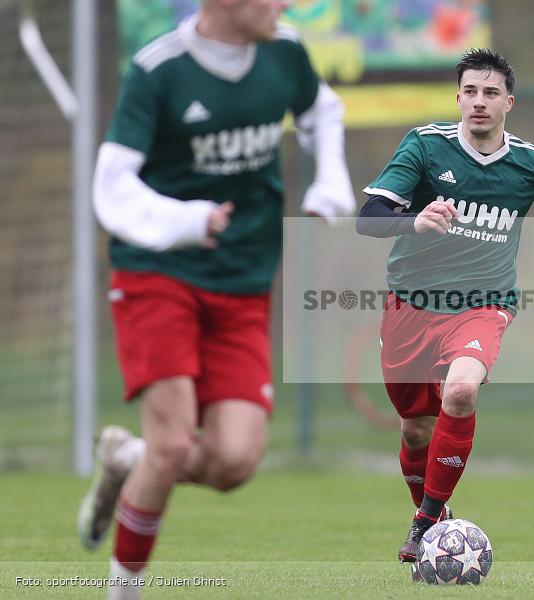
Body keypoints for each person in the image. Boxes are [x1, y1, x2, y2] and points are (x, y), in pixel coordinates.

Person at [77, 1, 355, 597]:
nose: (283, 6)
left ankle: (128, 459)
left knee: (233, 462)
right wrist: (184, 219)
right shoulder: (159, 71)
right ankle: (122, 591)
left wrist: (331, 181)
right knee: (174, 443)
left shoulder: (285, 51)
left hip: (243, 280)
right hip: (160, 273)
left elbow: (322, 111)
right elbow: (112, 185)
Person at [356, 48, 534, 565]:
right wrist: (412, 220)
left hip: (483, 305)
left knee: (460, 390)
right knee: (416, 426)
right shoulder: (424, 146)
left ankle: (424, 523)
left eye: (490, 93)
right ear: (458, 98)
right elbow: (368, 218)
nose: (479, 102)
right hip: (409, 306)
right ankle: (436, 520)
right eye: (470, 92)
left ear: (510, 102)